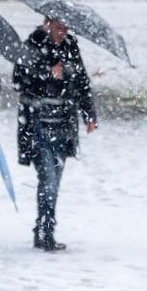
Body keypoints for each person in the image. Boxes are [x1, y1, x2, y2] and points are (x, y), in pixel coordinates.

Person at [14, 16, 97, 251]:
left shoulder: (71, 47)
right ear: (47, 24)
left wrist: (89, 115)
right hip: (38, 125)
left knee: (55, 181)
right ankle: (45, 229)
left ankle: (44, 226)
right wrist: (46, 73)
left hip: (63, 125)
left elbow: (82, 83)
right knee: (48, 180)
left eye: (65, 27)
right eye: (58, 26)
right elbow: (19, 81)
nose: (63, 31)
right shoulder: (32, 45)